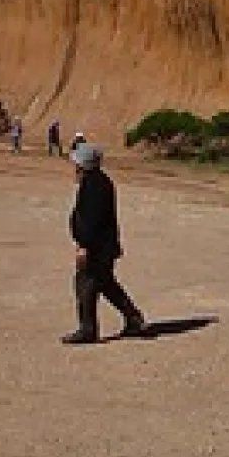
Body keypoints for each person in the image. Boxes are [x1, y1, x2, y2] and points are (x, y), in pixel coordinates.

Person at [61, 144, 147, 345]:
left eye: (76, 163)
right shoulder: (96, 182)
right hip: (103, 246)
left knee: (86, 283)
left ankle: (88, 329)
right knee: (105, 283)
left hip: (97, 247)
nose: (74, 168)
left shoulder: (94, 186)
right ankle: (134, 319)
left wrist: (84, 245)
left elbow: (92, 221)